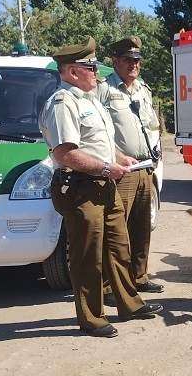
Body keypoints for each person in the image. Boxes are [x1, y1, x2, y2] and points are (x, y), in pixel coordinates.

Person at [39, 37, 162, 338]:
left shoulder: (90, 99)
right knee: (87, 256)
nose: (96, 71)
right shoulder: (63, 102)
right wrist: (108, 168)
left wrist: (120, 158)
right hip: (82, 188)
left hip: (105, 184)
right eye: (90, 66)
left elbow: (100, 144)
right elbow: (65, 153)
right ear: (71, 71)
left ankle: (129, 304)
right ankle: (92, 317)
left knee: (119, 248)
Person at [96, 36, 164, 307]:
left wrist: (157, 152)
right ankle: (109, 287)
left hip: (145, 167)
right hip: (121, 170)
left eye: (136, 60)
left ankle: (139, 276)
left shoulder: (143, 90)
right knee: (116, 231)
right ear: (114, 61)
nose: (133, 65)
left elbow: (152, 126)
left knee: (141, 226)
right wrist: (114, 157)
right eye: (127, 60)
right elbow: (98, 133)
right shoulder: (103, 90)